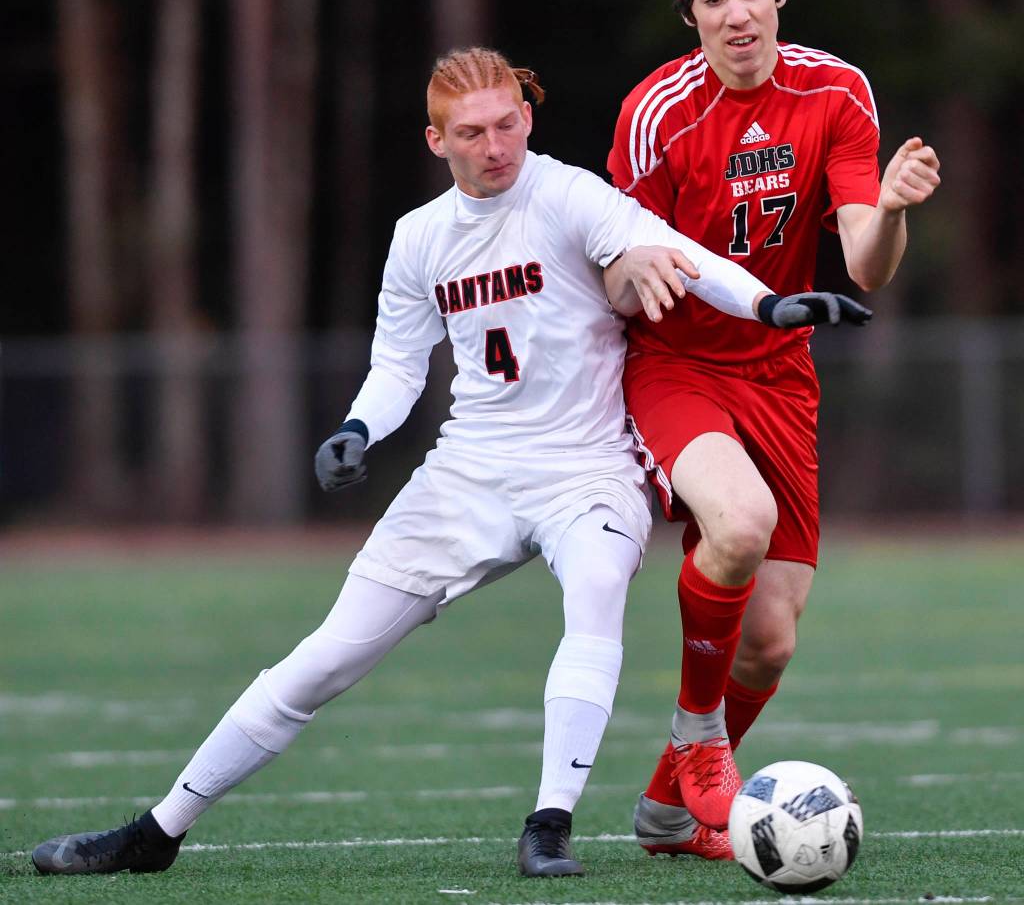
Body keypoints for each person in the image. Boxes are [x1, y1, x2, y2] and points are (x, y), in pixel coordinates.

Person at [31, 46, 868, 881]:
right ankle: (159, 831)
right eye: (472, 131)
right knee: (323, 659)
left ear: (528, 119)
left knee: (596, 602)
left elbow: (681, 253)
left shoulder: (572, 193)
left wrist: (767, 303)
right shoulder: (419, 237)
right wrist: (358, 429)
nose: (495, 144)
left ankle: (548, 827)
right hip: (469, 471)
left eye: (508, 124)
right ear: (437, 141)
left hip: (588, 467)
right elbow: (398, 365)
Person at [603, 0, 941, 858]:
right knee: (739, 525)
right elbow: (623, 272)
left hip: (781, 377)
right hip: (677, 364)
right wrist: (631, 275)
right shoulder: (655, 113)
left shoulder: (836, 91)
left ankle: (668, 812)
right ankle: (702, 740)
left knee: (773, 640)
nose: (736, 14)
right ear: (690, 14)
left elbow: (865, 264)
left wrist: (895, 208)